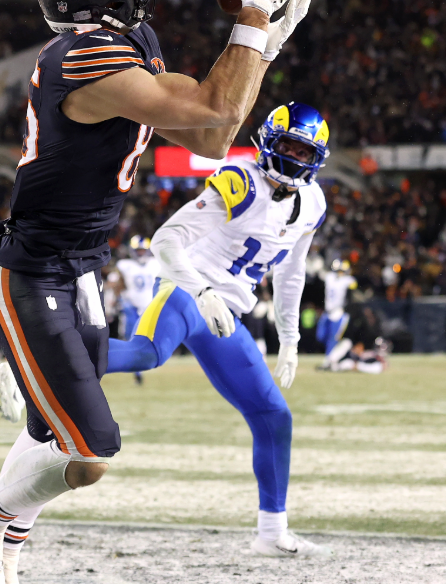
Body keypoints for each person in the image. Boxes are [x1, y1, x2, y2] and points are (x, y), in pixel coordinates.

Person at [0, 0, 315, 584]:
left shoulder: (123, 46)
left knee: (49, 433)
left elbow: (211, 135)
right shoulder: (81, 58)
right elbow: (216, 109)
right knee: (89, 450)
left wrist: (269, 44)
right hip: (33, 272)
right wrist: (255, 21)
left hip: (84, 268)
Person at [99, 102, 332, 557]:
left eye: (303, 152)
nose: (293, 158)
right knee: (147, 353)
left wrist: (290, 338)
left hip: (229, 314)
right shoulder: (240, 181)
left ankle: (271, 533)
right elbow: (165, 240)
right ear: (267, 141)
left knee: (274, 417)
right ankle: (42, 351)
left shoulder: (314, 203)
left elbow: (292, 274)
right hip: (190, 293)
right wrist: (201, 291)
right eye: (286, 146)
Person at [113, 235, 162, 384]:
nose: (140, 253)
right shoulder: (124, 265)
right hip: (132, 306)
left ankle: (149, 362)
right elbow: (118, 285)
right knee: (131, 338)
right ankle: (137, 371)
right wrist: (119, 300)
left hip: (151, 306)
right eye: (138, 250)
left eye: (142, 250)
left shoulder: (156, 263)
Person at [316, 259, 356, 355]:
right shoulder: (330, 277)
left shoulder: (347, 280)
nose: (340, 273)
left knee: (333, 337)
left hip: (338, 311)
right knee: (320, 336)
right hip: (327, 311)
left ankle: (330, 358)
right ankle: (335, 353)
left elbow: (353, 284)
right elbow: (320, 274)